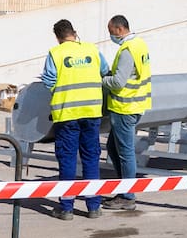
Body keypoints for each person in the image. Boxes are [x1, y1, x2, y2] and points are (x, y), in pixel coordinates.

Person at [42, 19, 106, 221]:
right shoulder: (92, 50)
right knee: (91, 158)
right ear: (74, 32)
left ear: (58, 37)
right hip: (91, 112)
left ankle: (67, 208)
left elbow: (49, 81)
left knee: (67, 159)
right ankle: (94, 206)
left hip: (68, 114)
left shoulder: (56, 53)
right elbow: (104, 71)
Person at [101, 14, 152, 211]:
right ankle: (123, 189)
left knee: (124, 152)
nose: (111, 35)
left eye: (111, 32)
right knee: (113, 149)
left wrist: (101, 81)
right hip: (133, 105)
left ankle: (127, 196)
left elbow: (118, 82)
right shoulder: (139, 44)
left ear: (120, 29)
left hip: (125, 107)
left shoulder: (127, 50)